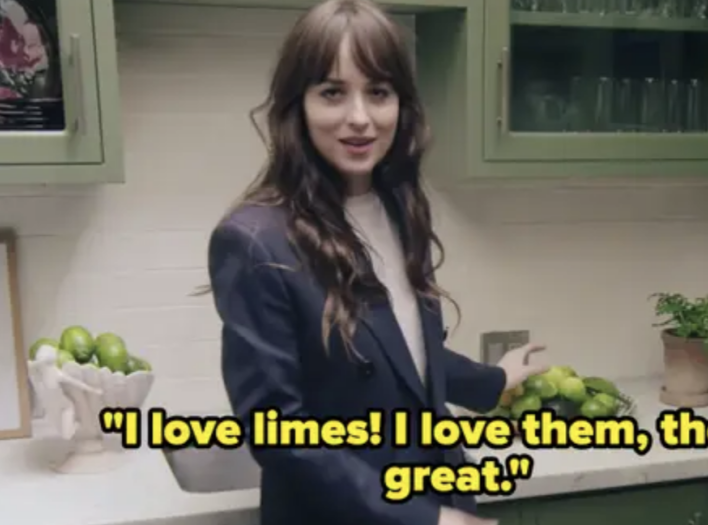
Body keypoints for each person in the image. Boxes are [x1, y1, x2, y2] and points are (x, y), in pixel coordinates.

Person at [205, 1, 548, 524]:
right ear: (297, 105)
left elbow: (401, 354)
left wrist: (493, 382)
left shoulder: (398, 206)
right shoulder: (254, 241)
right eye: (332, 93)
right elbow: (277, 433)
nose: (360, 118)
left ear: (401, 106)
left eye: (379, 92)